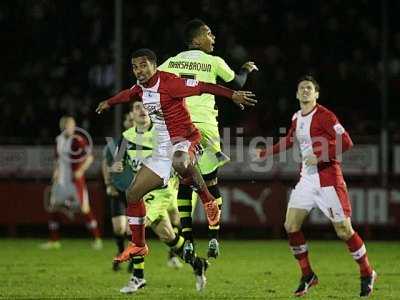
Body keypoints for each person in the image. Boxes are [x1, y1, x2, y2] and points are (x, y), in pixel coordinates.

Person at [96, 48, 256, 264]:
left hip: (185, 138)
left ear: (154, 65)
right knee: (132, 194)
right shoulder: (142, 88)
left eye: (143, 65)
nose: (139, 70)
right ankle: (139, 245)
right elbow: (129, 93)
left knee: (180, 160)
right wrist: (109, 102)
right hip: (163, 148)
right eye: (135, 66)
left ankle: (209, 202)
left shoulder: (170, 82)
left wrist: (232, 94)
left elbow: (203, 87)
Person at [258, 75, 377, 297]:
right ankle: (307, 275)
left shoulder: (325, 116)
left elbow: (347, 142)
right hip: (306, 180)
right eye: (301, 88)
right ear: (296, 94)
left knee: (344, 231)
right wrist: (266, 152)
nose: (305, 91)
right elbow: (290, 140)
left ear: (316, 94)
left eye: (309, 88)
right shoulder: (296, 117)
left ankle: (367, 272)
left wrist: (321, 156)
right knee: (290, 225)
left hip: (329, 180)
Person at [158, 18, 258, 260]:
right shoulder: (213, 61)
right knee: (211, 182)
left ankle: (189, 241)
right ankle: (214, 237)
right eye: (209, 34)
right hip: (206, 130)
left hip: (180, 130)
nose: (213, 38)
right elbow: (237, 83)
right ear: (195, 40)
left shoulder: (170, 63)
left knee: (185, 183)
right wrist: (246, 68)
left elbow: (153, 85)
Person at [104, 100, 209, 292]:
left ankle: (138, 277)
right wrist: (116, 169)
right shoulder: (126, 137)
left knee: (133, 227)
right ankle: (197, 263)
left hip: (161, 191)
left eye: (144, 106)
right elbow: (118, 164)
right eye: (136, 107)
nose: (142, 110)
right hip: (141, 192)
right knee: (167, 235)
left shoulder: (162, 133)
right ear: (131, 115)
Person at [40, 116, 102, 250]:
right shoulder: (59, 140)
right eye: (66, 125)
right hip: (61, 181)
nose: (69, 127)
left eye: (71, 125)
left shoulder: (78, 140)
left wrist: (80, 170)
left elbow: (90, 157)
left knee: (84, 208)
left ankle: (97, 239)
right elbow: (57, 160)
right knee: (54, 207)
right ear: (62, 126)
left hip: (75, 181)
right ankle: (54, 240)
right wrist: (55, 172)